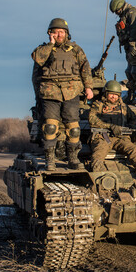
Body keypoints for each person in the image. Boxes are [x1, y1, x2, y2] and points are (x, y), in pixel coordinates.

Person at [32, 18, 94, 171]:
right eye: (56, 32)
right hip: (50, 92)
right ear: (50, 33)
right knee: (50, 127)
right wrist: (50, 44)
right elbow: (37, 60)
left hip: (71, 91)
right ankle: (50, 160)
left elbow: (85, 68)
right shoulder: (44, 50)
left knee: (73, 128)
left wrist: (88, 87)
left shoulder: (75, 50)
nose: (59, 35)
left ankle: (73, 158)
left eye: (62, 32)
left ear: (67, 33)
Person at [88, 80, 136, 180]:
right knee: (99, 152)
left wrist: (130, 127)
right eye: (111, 94)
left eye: (115, 94)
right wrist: (110, 126)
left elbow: (134, 119)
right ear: (106, 94)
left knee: (133, 149)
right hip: (103, 137)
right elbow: (92, 120)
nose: (113, 97)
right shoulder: (98, 105)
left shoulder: (124, 107)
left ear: (119, 95)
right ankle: (97, 173)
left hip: (120, 137)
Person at [109, 0, 136, 105]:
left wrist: (132, 44)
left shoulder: (133, 12)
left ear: (120, 7)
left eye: (117, 10)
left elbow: (135, 29)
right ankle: (131, 94)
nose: (116, 13)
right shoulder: (124, 16)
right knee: (129, 72)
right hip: (129, 47)